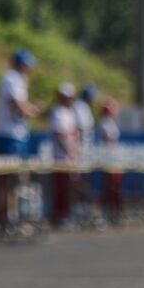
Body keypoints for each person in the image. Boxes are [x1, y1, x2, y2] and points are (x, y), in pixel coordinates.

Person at [0, 49, 40, 226]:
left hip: (16, 135)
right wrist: (33, 110)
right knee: (9, 178)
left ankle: (10, 214)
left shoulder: (18, 79)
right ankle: (5, 216)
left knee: (16, 179)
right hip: (9, 135)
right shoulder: (12, 78)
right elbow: (18, 106)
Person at [47, 82, 81, 226]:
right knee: (61, 187)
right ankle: (59, 215)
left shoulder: (70, 113)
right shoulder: (57, 112)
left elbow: (74, 134)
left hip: (71, 156)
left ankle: (67, 213)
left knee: (70, 187)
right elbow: (59, 135)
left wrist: (75, 151)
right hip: (61, 157)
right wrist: (68, 151)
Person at [73, 85, 97, 150]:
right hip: (80, 141)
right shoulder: (79, 105)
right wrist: (80, 144)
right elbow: (81, 127)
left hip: (86, 140)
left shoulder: (85, 105)